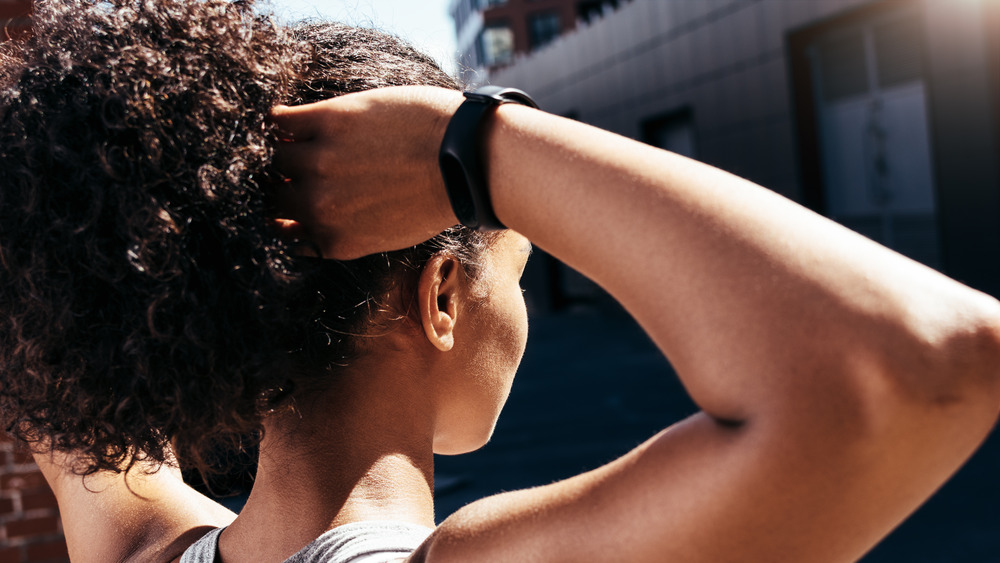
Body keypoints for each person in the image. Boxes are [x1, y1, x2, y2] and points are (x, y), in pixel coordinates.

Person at [3, 1, 999, 562]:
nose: (517, 307)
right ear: (441, 292)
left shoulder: (135, 538)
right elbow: (919, 363)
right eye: (516, 270)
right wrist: (479, 147)